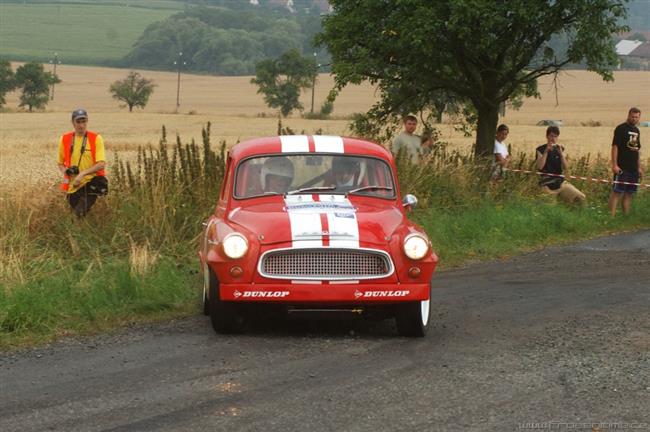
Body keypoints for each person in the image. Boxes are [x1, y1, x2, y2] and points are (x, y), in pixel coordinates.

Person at [57, 108, 107, 217]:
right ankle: (85, 232)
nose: (81, 125)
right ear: (73, 123)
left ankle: (72, 233)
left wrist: (82, 174)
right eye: (78, 122)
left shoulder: (96, 138)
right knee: (79, 217)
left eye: (84, 121)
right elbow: (60, 163)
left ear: (87, 121)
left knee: (78, 214)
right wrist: (66, 171)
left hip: (91, 183)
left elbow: (101, 164)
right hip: (73, 186)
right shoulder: (64, 139)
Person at [535, 126, 586, 205]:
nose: (553, 139)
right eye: (551, 136)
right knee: (550, 206)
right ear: (547, 136)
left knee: (581, 197)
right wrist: (546, 152)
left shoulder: (560, 149)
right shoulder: (540, 149)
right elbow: (540, 167)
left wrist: (561, 155)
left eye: (556, 136)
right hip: (546, 183)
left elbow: (566, 167)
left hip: (560, 182)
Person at [608, 107, 643, 216]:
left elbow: (637, 150)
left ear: (639, 118)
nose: (634, 119)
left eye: (636, 117)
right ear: (628, 115)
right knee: (617, 192)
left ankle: (626, 217)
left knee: (629, 194)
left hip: (633, 169)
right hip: (622, 168)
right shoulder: (621, 128)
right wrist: (614, 165)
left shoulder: (637, 131)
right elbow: (615, 147)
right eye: (632, 116)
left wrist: (639, 167)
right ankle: (610, 218)